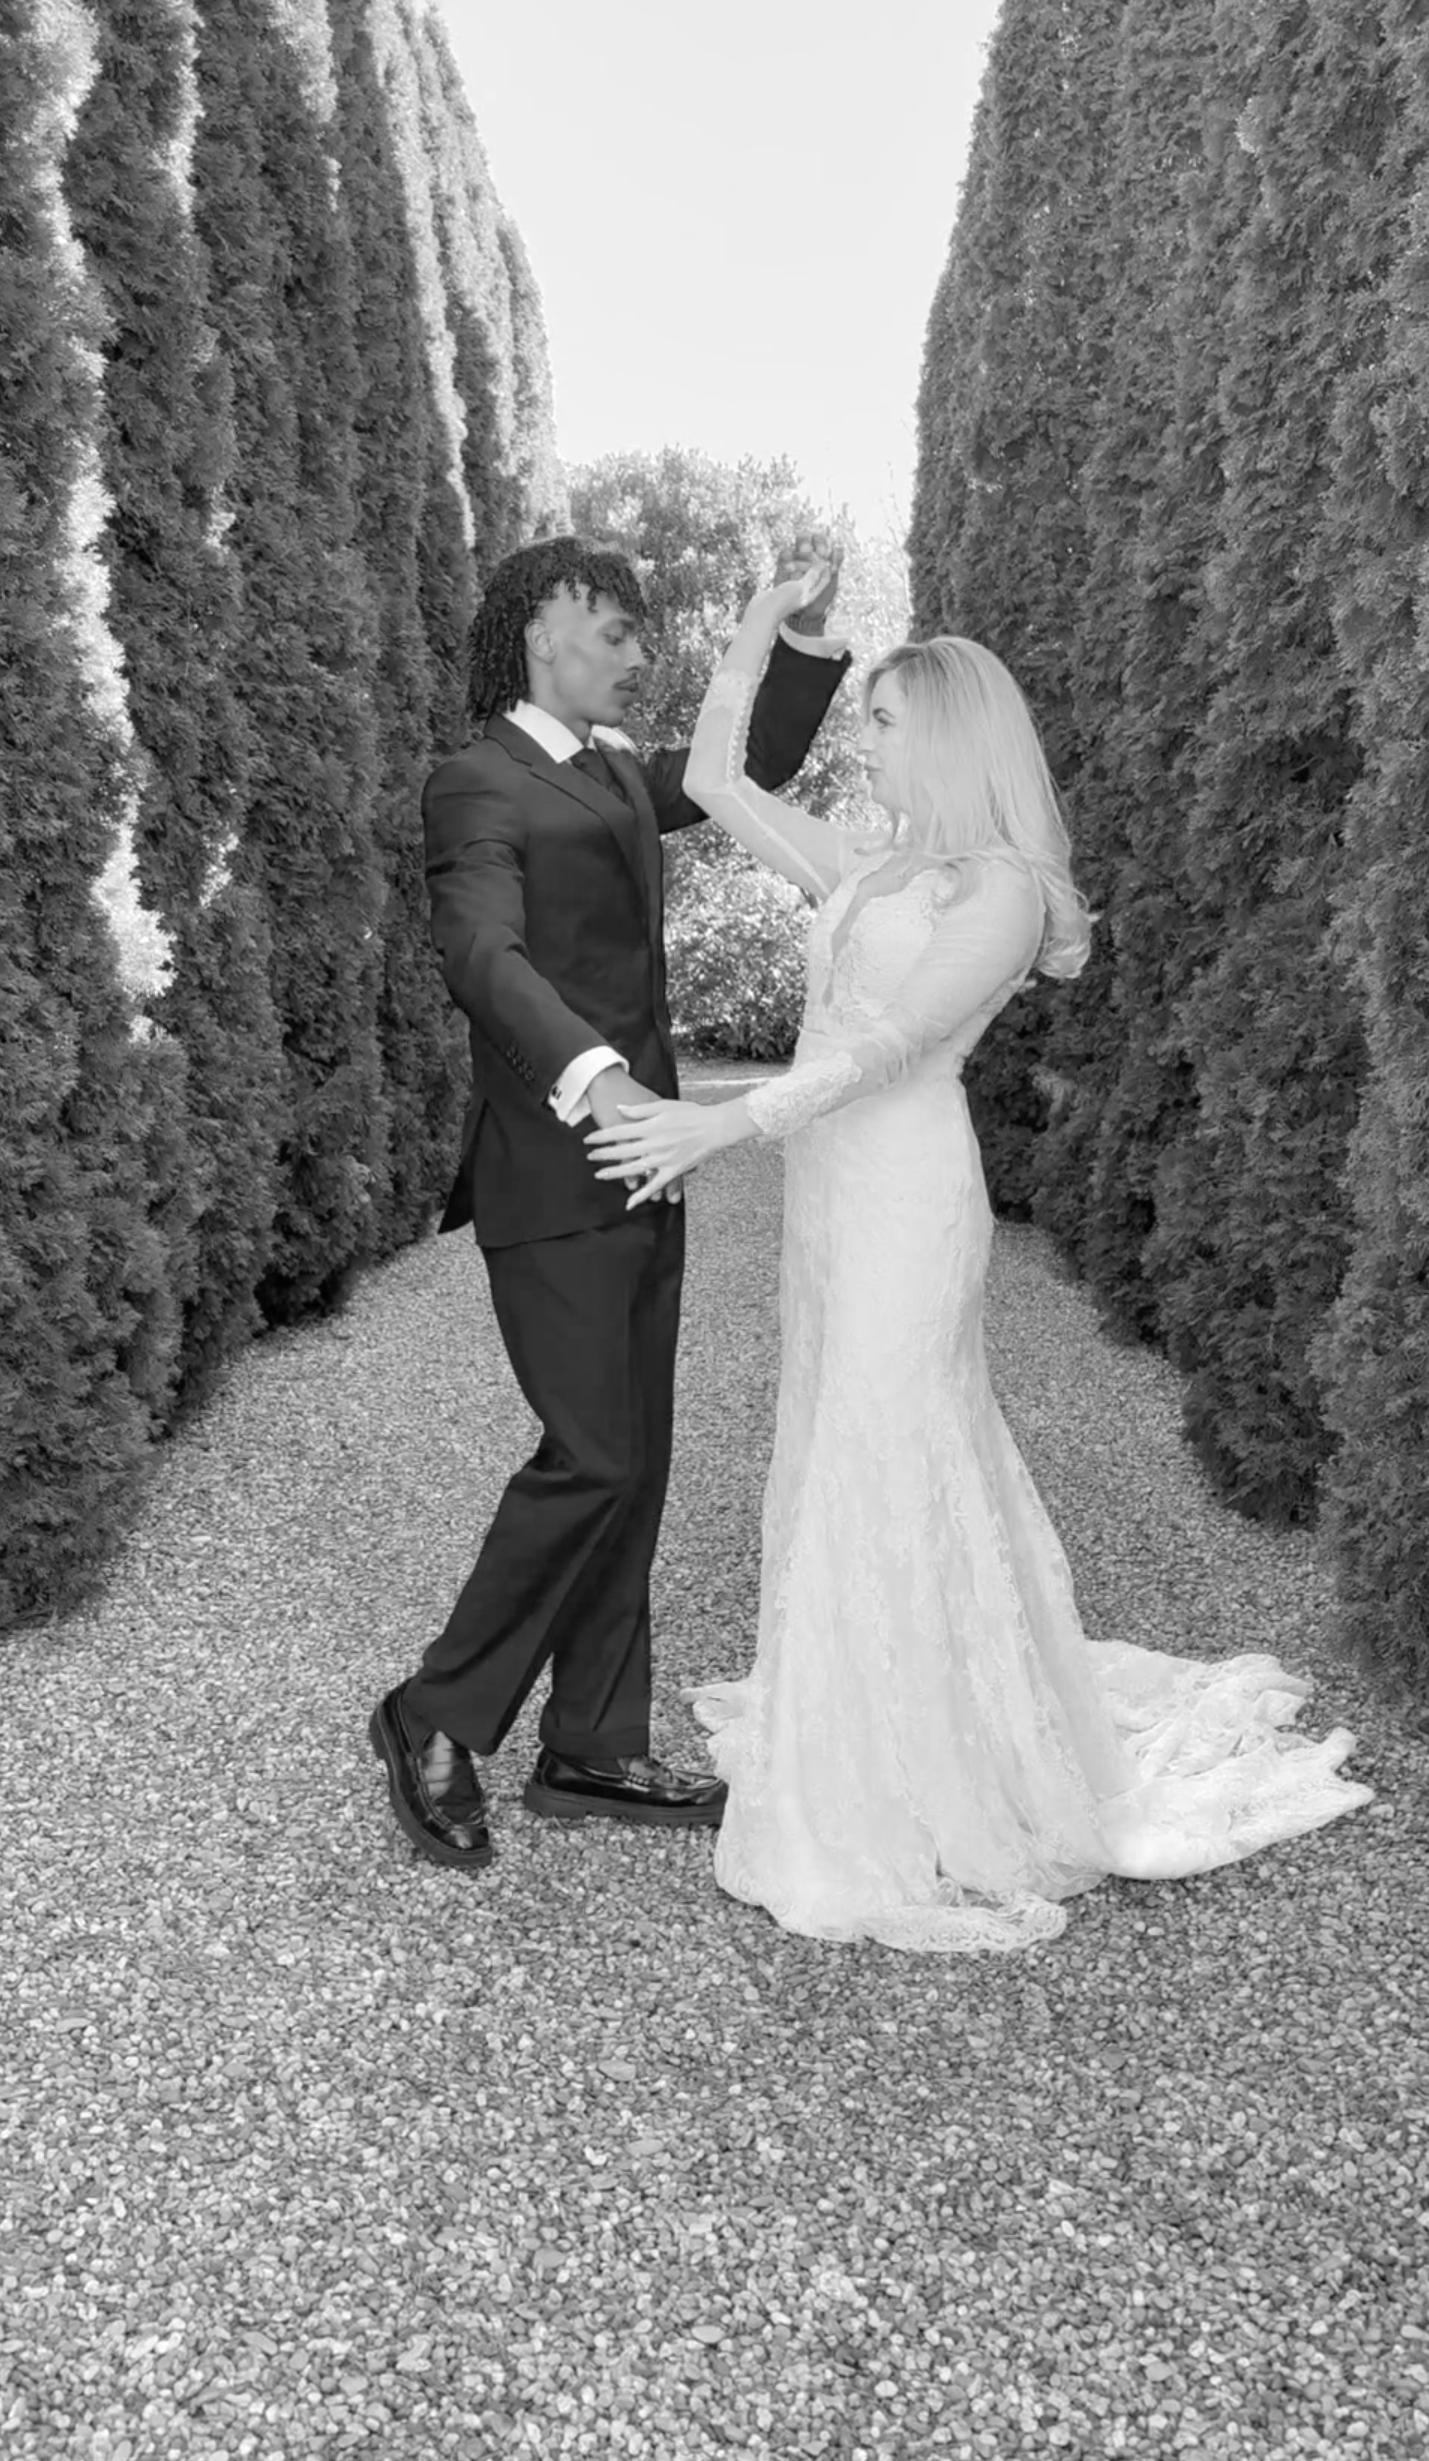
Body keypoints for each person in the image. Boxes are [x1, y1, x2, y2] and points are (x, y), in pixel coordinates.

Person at [587, 565, 1371, 1952]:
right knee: (834, 1430)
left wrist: (720, 1124)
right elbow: (711, 781)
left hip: (906, 1192)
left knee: (888, 1438)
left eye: (885, 723)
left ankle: (920, 1765)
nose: (867, 744)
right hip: (831, 1197)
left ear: (950, 736)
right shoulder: (871, 864)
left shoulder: (1001, 890)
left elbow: (891, 1050)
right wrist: (755, 635)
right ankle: (868, 1716)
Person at [370, 535, 849, 1870]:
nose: (640, 653)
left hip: (653, 1164)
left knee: (636, 1457)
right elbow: (481, 950)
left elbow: (746, 767)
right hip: (557, 1163)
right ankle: (435, 1711)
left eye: (642, 635)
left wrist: (797, 638)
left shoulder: (621, 775)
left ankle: (591, 1742)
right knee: (592, 1453)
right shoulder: (475, 780)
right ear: (541, 630)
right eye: (617, 630)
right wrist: (595, 1078)